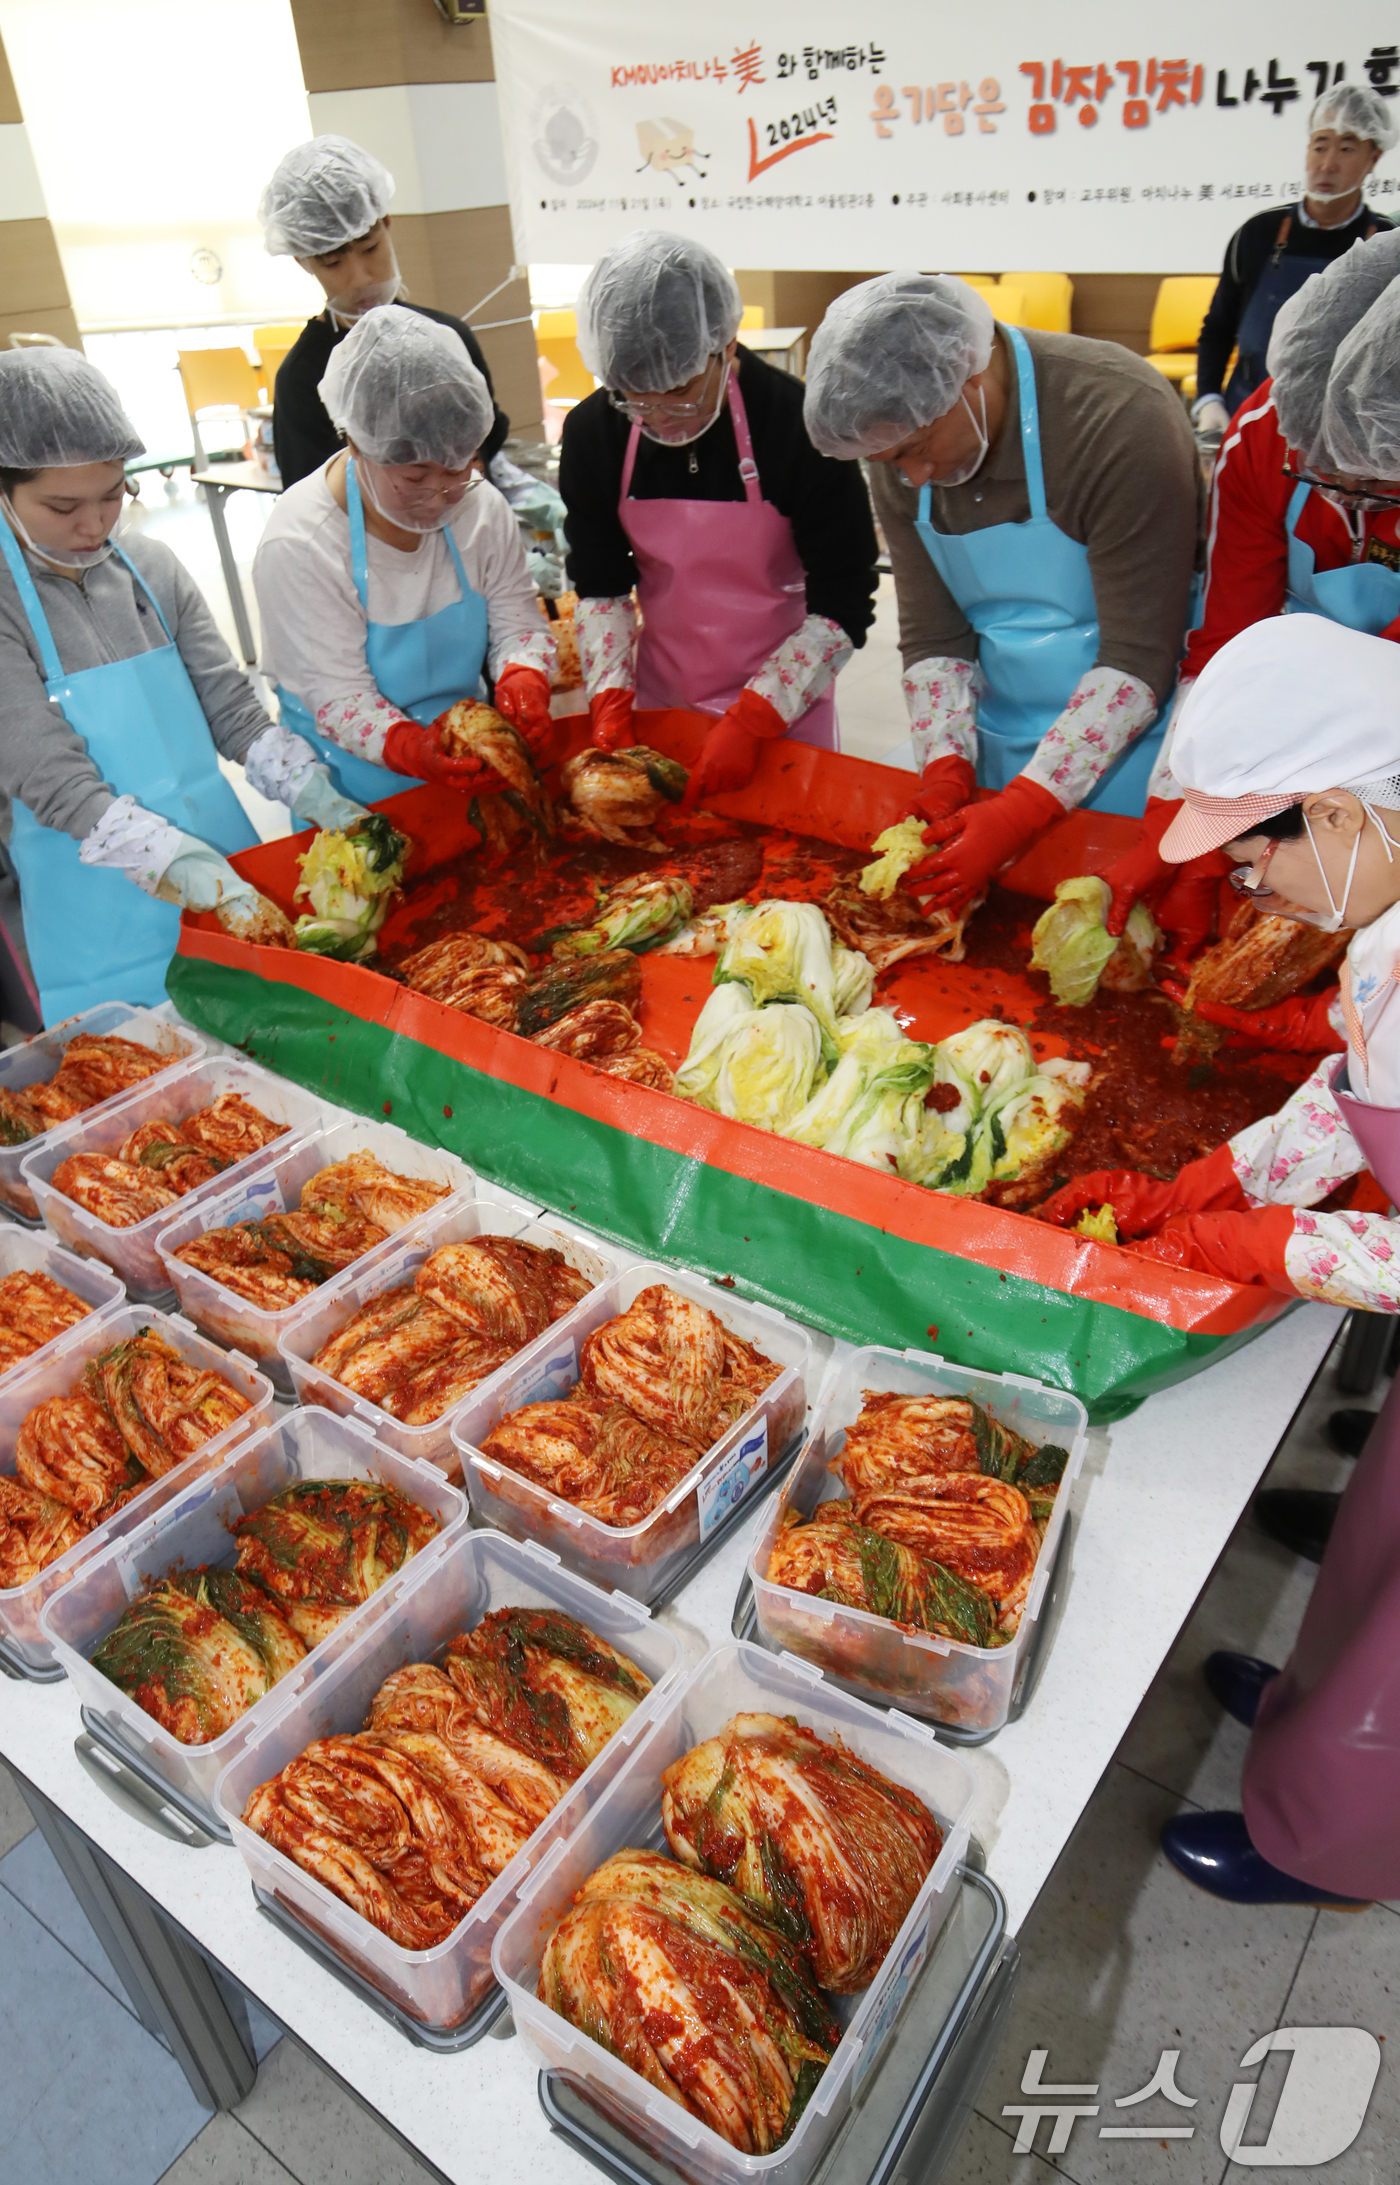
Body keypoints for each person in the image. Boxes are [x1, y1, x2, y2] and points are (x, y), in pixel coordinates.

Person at [1040, 614, 1400, 1908]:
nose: (1251, 889)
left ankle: (1329, 1839)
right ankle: (1310, 1711)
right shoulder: (1385, 913)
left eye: (1260, 854)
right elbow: (1352, 1090)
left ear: (1347, 814)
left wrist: (1274, 1243)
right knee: (1374, 1547)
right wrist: (1201, 1185)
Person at [802, 273, 1202, 914]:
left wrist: (1025, 809)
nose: (913, 476)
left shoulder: (1118, 415)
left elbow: (1138, 654)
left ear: (970, 382)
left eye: (917, 450)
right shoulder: (903, 437)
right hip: (1001, 735)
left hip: (1134, 744)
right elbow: (936, 633)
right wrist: (945, 768)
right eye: (890, 462)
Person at [0, 348, 360, 1025]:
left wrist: (311, 788)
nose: (94, 524)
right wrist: (180, 865)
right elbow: (52, 779)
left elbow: (231, 709)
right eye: (62, 505)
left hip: (226, 881)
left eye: (113, 494)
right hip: (101, 932)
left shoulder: (149, 568)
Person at [1102, 228, 1400, 976]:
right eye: (1319, 477)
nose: (1341, 500)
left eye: (1368, 486)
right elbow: (1227, 644)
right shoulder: (1269, 433)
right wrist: (1189, 821)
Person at [558, 231, 879, 805]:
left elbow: (845, 597)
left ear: (725, 345)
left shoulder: (798, 427)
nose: (657, 418)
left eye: (678, 391)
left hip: (784, 705)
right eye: (635, 398)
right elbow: (601, 586)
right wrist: (610, 704)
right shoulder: (595, 432)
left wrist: (754, 717)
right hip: (660, 701)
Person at [254, 306, 554, 806]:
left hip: (469, 773)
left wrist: (524, 674)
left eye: (457, 467)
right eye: (415, 477)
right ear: (356, 442)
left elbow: (516, 624)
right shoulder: (302, 544)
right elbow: (338, 695)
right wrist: (414, 750)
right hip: (352, 794)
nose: (439, 496)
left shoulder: (481, 510)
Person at [258, 135, 509, 491]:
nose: (360, 278)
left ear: (387, 224)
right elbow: (310, 499)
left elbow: (487, 438)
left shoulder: (446, 337)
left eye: (370, 248)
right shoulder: (303, 379)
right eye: (333, 262)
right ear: (303, 261)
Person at [1192, 84, 1395, 438]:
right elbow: (1219, 327)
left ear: (1373, 158)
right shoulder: (1256, 233)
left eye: (1347, 148)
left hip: (1343, 437)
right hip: (1250, 418)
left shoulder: (1388, 243)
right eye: (1319, 145)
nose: (1327, 164)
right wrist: (1209, 400)